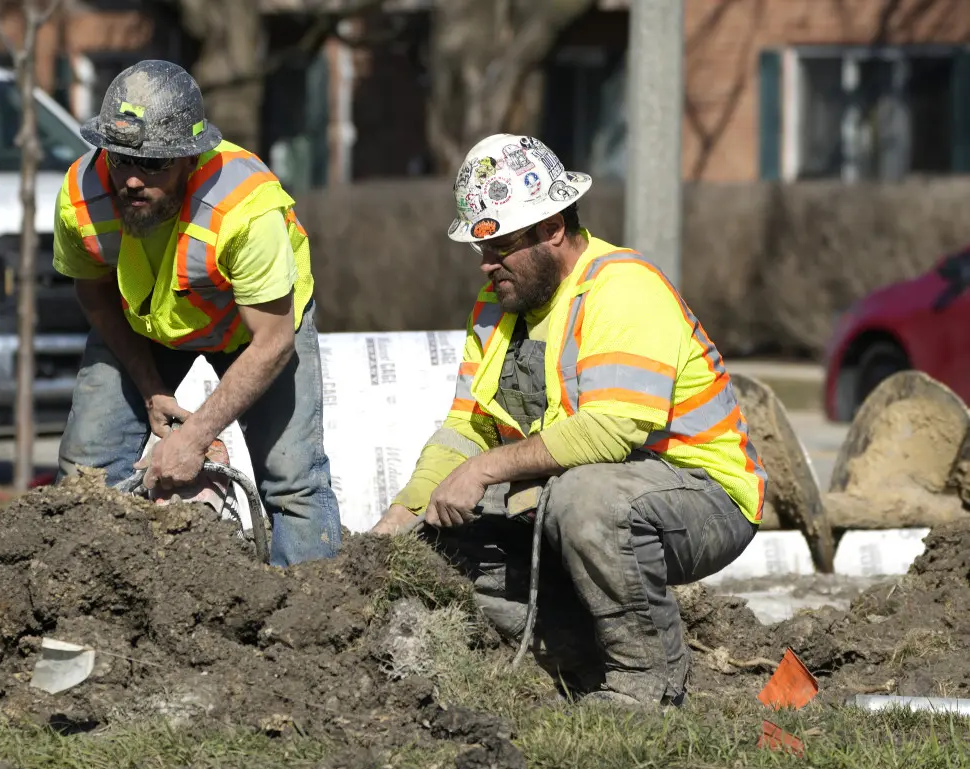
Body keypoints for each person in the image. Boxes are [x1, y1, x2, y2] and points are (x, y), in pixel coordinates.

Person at [370, 134, 768, 708]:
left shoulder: (623, 288)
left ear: (552, 227)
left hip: (704, 499)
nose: (486, 264)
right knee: (438, 544)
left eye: (500, 246)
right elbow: (468, 427)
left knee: (587, 502)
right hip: (574, 495)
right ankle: (582, 659)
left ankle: (648, 687)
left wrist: (485, 471)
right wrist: (403, 513)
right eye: (480, 248)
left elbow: (611, 430)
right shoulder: (495, 308)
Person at [52, 59, 342, 567]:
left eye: (153, 164)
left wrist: (195, 435)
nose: (132, 180)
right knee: (85, 475)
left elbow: (273, 343)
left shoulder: (247, 210)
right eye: (120, 159)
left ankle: (310, 628)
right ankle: (81, 617)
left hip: (253, 337)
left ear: (191, 157)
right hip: (142, 327)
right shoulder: (80, 196)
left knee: (294, 484)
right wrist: (150, 389)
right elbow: (95, 296)